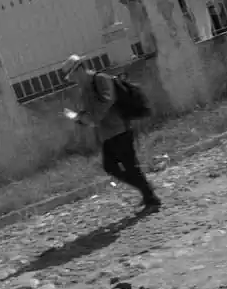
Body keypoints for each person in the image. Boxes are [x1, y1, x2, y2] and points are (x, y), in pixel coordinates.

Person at [62, 55, 161, 212]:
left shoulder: (101, 79)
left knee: (130, 167)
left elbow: (106, 103)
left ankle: (151, 199)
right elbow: (89, 114)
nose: (73, 80)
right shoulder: (84, 91)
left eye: (73, 75)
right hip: (107, 134)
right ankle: (146, 188)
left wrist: (85, 117)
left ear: (80, 69)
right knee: (110, 167)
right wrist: (79, 118)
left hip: (120, 129)